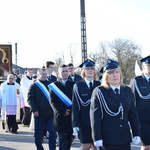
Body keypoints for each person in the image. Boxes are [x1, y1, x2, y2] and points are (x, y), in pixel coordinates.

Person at [90, 59, 141, 150]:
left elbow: (133, 114)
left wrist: (136, 133)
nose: (115, 75)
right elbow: (95, 117)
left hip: (124, 137)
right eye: (111, 73)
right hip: (107, 138)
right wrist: (97, 137)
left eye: (117, 72)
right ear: (106, 76)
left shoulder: (127, 90)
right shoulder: (100, 91)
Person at [72, 59, 100, 150]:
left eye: (92, 68)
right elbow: (75, 106)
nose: (90, 70)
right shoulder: (78, 86)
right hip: (84, 121)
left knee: (97, 145)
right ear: (83, 71)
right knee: (86, 146)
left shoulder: (99, 84)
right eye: (87, 69)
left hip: (98, 120)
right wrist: (75, 123)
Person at [28, 68, 56, 150]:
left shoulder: (51, 84)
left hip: (50, 114)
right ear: (38, 75)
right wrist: (34, 109)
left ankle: (52, 148)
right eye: (42, 74)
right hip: (39, 113)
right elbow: (30, 99)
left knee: (52, 132)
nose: (44, 76)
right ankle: (39, 148)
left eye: (45, 74)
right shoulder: (34, 86)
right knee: (38, 134)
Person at [49, 64, 74, 150]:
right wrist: (63, 111)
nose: (65, 73)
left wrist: (70, 110)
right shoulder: (54, 86)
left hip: (71, 115)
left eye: (66, 71)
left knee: (69, 138)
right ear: (59, 73)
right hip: (60, 116)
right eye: (63, 71)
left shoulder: (74, 85)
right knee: (62, 138)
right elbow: (53, 101)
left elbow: (75, 100)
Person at [130, 55, 150, 150]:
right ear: (143, 67)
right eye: (148, 66)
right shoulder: (136, 81)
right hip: (142, 119)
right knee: (146, 146)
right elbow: (132, 101)